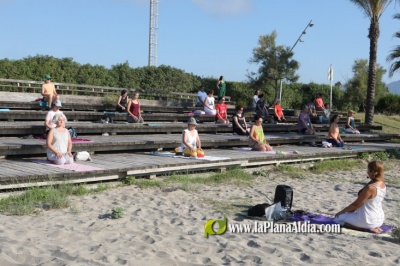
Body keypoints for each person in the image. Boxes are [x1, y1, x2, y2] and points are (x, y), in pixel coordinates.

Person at [334, 161, 386, 233]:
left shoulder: (370, 188)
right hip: (380, 219)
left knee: (337, 219)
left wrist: (341, 212)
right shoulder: (382, 184)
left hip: (368, 220)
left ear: (372, 171)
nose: (367, 172)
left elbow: (357, 204)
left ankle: (365, 229)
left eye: (368, 170)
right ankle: (372, 227)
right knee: (348, 215)